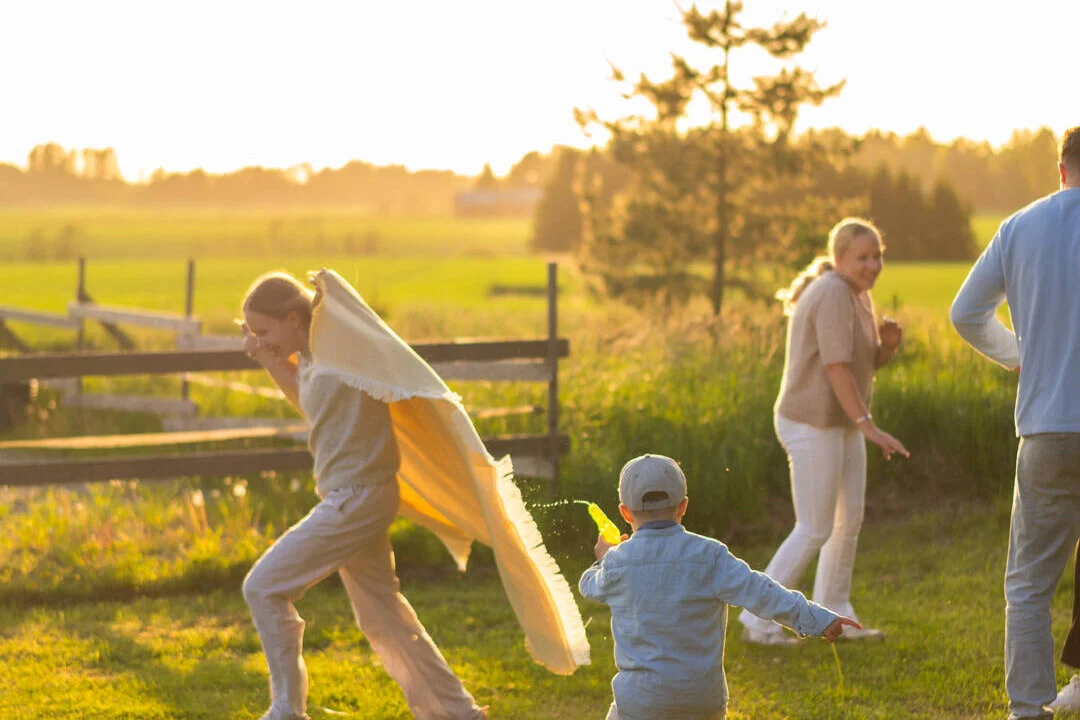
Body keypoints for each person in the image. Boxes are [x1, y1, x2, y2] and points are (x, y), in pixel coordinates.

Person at [239, 271, 487, 720]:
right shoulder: (314, 359)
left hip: (358, 499)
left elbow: (382, 365)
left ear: (294, 318)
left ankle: (286, 712)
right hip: (355, 496)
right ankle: (458, 714)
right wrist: (270, 357)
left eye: (262, 331)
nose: (256, 340)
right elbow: (312, 401)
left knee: (263, 587)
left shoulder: (343, 355)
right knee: (384, 619)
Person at [951, 126, 1080, 720]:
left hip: (1047, 425)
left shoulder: (1020, 227)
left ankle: (1027, 709)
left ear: (1061, 169)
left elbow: (965, 313)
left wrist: (1018, 354)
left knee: (1029, 582)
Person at [579, 454, 860, 720]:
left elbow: (589, 586)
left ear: (625, 513)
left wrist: (604, 558)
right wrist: (818, 619)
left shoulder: (618, 562)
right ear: (683, 505)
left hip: (641, 702)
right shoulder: (710, 555)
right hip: (702, 701)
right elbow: (761, 591)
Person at [739, 218, 909, 646]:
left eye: (877, 256)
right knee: (814, 526)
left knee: (846, 522)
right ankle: (757, 622)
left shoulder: (857, 294)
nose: (872, 265)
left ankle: (835, 616)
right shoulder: (833, 292)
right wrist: (867, 425)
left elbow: (860, 362)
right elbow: (835, 367)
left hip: (841, 423)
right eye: (863, 257)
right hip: (810, 423)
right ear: (839, 258)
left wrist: (886, 347)